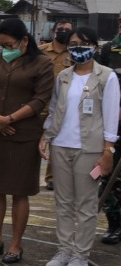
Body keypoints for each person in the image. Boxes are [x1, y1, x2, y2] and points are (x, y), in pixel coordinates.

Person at [40, 27, 118, 266]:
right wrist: (46, 135)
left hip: (90, 148)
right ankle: (64, 250)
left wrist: (108, 150)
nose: (78, 48)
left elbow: (111, 116)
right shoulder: (64, 76)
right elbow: (54, 109)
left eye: (84, 43)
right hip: (61, 145)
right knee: (63, 203)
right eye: (74, 44)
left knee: (85, 204)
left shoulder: (106, 77)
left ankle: (80, 255)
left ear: (94, 46)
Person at [0, 19, 54, 264]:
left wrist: (9, 118)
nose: (4, 49)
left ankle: (16, 244)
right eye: (1, 45)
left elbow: (40, 100)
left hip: (24, 135)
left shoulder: (42, 63)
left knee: (20, 192)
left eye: (9, 44)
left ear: (24, 41)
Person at [39, 18, 75, 191]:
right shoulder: (41, 52)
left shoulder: (75, 53)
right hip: (39, 103)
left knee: (57, 142)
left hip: (62, 105)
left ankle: (52, 178)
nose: (64, 31)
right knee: (33, 141)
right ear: (53, 31)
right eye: (60, 29)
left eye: (67, 29)